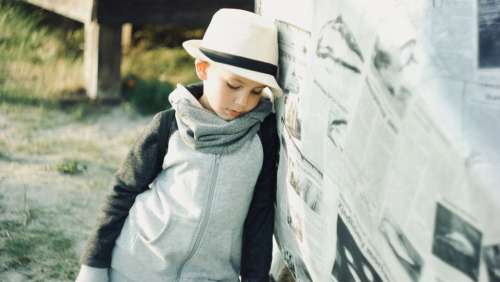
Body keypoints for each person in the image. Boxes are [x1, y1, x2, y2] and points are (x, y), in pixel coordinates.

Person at [75, 8, 282, 282]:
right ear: (203, 69)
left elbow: (260, 215)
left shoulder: (262, 138)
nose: (243, 102)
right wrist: (93, 264)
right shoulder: (168, 126)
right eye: (233, 85)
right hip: (137, 266)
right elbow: (123, 190)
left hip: (210, 276)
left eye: (257, 91)